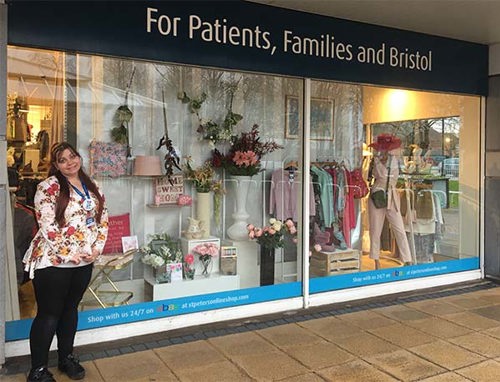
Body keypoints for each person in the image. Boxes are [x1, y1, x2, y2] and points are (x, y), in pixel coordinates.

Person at [23, 142, 109, 382]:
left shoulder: (92, 186)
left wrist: (96, 248)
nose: (70, 162)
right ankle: (38, 369)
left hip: (83, 262)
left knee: (70, 310)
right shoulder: (48, 187)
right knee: (49, 314)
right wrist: (69, 253)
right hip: (53, 263)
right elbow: (47, 226)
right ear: (55, 165)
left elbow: (103, 220)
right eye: (63, 159)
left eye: (73, 156)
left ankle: (66, 358)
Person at [368, 134, 412, 269]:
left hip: (392, 196)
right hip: (378, 196)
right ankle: (376, 260)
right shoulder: (375, 161)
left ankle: (407, 258)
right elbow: (379, 176)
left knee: (399, 227)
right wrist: (378, 161)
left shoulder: (394, 160)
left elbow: (394, 176)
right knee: (375, 229)